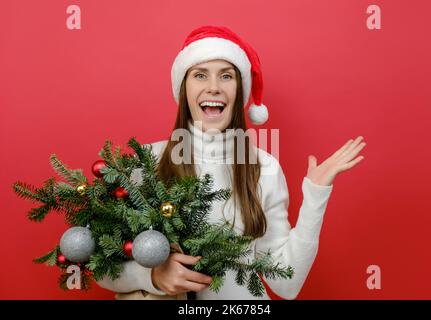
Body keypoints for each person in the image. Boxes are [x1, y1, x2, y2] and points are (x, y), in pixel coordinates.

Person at [97, 25, 366, 300]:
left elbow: (288, 284)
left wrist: (315, 195)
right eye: (200, 75)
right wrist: (152, 277)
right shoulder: (146, 161)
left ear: (239, 91)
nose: (213, 87)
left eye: (226, 76)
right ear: (184, 89)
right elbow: (100, 266)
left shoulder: (265, 168)